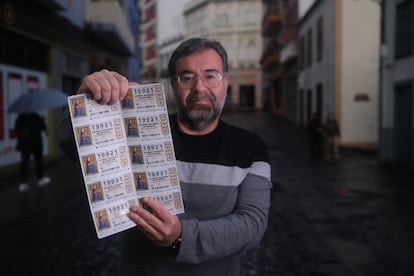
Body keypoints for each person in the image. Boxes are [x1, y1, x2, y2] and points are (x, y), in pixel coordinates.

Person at [77, 37, 272, 275]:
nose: (200, 87)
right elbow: (78, 153)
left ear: (226, 82)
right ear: (173, 85)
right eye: (187, 77)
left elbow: (253, 224)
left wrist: (181, 237)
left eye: (211, 75)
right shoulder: (135, 131)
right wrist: (86, 107)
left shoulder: (251, 148)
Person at [15, 112, 50, 192]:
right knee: (32, 162)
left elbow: (17, 129)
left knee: (30, 162)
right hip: (31, 144)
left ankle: (29, 182)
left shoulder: (24, 117)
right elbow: (42, 127)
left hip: (30, 144)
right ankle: (34, 181)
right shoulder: (31, 116)